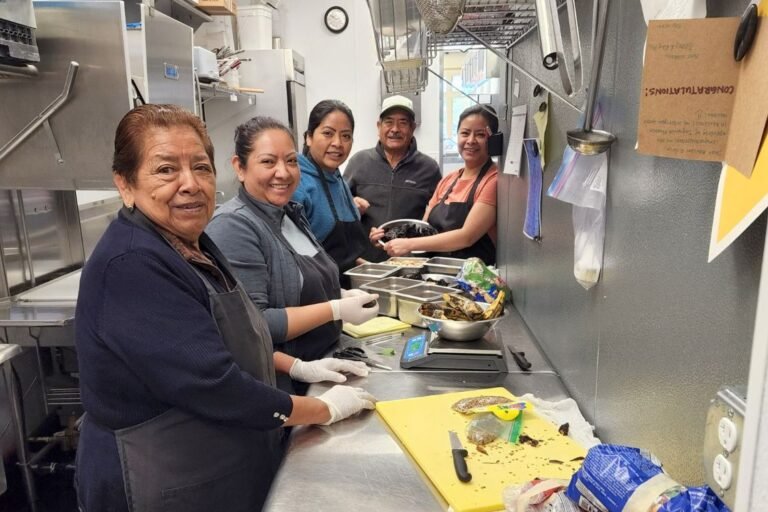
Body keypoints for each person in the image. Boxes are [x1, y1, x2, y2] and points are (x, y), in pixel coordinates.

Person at [75, 104, 376, 512]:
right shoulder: (132, 265)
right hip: (159, 478)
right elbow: (214, 385)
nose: (190, 184)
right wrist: (322, 408)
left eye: (200, 167)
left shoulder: (191, 243)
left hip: (214, 463)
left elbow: (220, 339)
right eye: (166, 170)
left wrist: (295, 367)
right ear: (125, 184)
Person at [206, 116, 379, 395]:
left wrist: (338, 295)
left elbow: (303, 286)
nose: (283, 173)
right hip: (284, 386)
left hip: (327, 361)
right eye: (268, 162)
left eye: (290, 161)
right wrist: (334, 309)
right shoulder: (233, 226)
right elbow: (253, 325)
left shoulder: (290, 214)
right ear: (239, 167)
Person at [373, 104, 499, 265]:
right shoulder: (449, 180)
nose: (471, 141)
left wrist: (408, 244)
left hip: (471, 280)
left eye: (480, 134)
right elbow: (424, 232)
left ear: (493, 138)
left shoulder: (493, 180)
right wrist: (386, 239)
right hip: (435, 277)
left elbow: (467, 236)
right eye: (465, 133)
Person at [344, 95, 442, 263]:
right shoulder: (358, 162)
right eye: (388, 122)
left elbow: (437, 220)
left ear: (412, 128)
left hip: (411, 263)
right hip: (366, 263)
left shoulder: (429, 168)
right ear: (378, 126)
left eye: (403, 122)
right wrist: (352, 205)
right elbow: (339, 208)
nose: (395, 129)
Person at [292, 100, 368, 283]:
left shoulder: (337, 178)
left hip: (347, 287)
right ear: (308, 137)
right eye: (328, 133)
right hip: (318, 294)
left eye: (346, 136)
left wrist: (372, 271)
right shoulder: (297, 184)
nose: (338, 143)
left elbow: (343, 254)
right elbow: (295, 261)